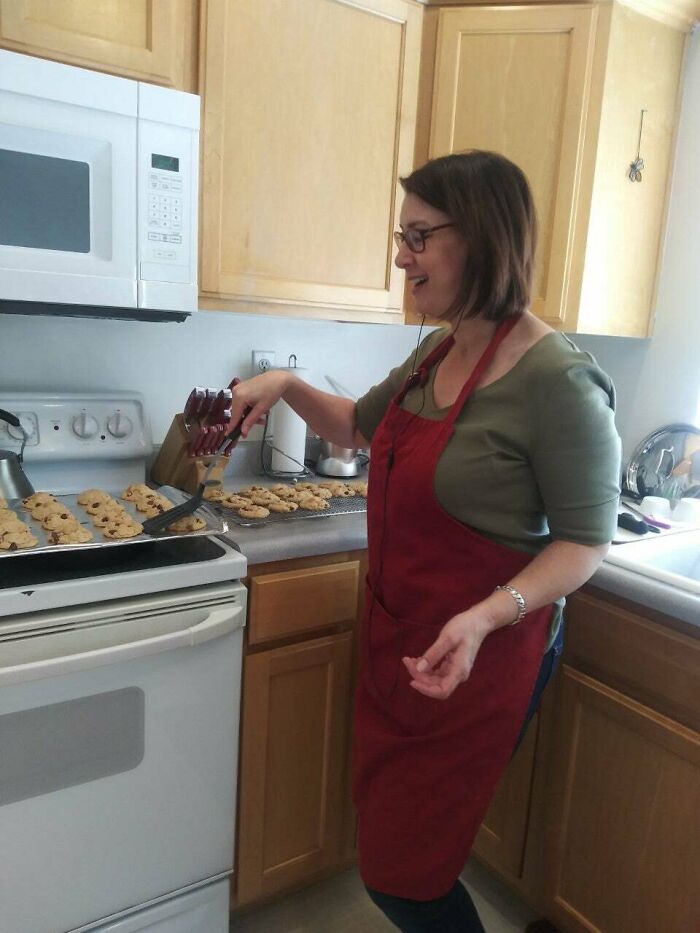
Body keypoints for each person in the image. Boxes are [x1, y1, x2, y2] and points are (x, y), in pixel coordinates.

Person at [227, 150, 621, 933]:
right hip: (399, 641)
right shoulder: (437, 351)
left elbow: (586, 543)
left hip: (480, 659)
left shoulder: (559, 382)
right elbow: (355, 426)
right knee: (393, 853)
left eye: (417, 236)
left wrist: (483, 616)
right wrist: (284, 386)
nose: (401, 255)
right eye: (400, 235)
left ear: (478, 238)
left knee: (407, 877)